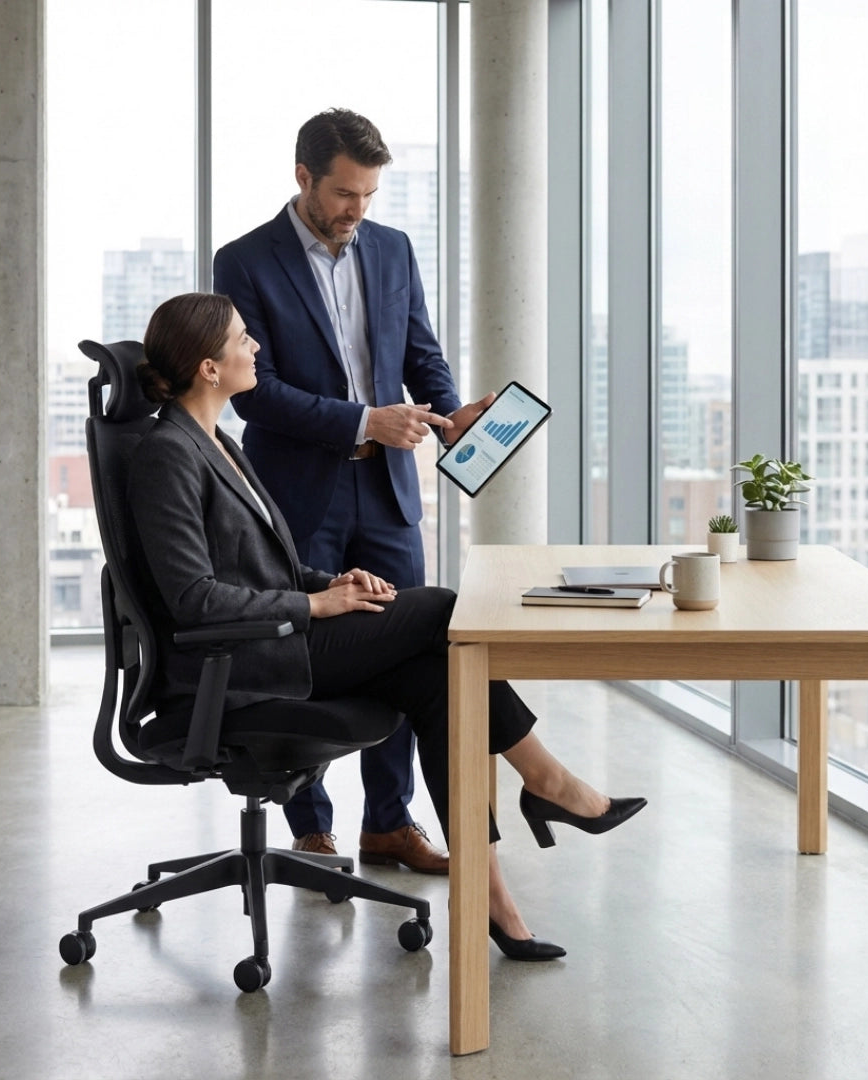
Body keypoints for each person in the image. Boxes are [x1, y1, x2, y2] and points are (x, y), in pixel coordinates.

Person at [126, 292, 647, 960]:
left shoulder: (219, 442)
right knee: (440, 608)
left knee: (437, 679)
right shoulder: (167, 454)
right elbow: (193, 599)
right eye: (242, 339)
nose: (255, 347)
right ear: (209, 368)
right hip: (239, 665)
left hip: (274, 640)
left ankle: (490, 894)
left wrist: (331, 582)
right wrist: (315, 608)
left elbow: (265, 565)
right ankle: (549, 783)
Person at [213, 108, 497, 873]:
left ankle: (389, 821)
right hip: (299, 492)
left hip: (389, 489)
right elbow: (255, 393)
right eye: (344, 193)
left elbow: (421, 353)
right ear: (303, 177)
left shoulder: (393, 249)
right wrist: (364, 419)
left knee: (403, 643)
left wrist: (450, 414)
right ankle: (310, 824)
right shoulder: (244, 261)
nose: (356, 210)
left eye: (368, 195)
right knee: (304, 652)